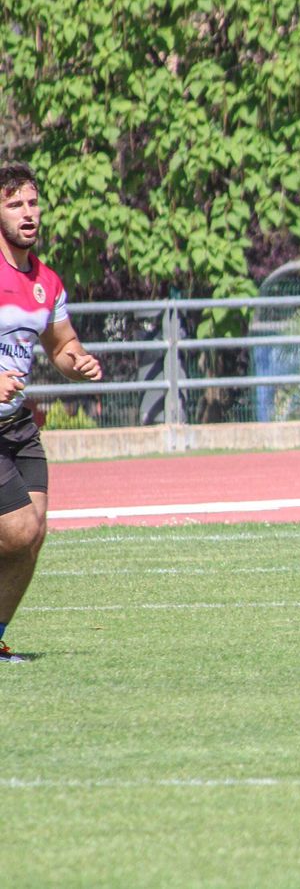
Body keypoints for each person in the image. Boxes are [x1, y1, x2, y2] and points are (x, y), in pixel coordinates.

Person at [0, 162, 103, 664]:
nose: (27, 213)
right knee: (16, 529)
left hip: (16, 425)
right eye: (14, 203)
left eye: (32, 203)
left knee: (34, 532)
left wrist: (76, 363)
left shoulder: (47, 282)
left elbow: (61, 344)